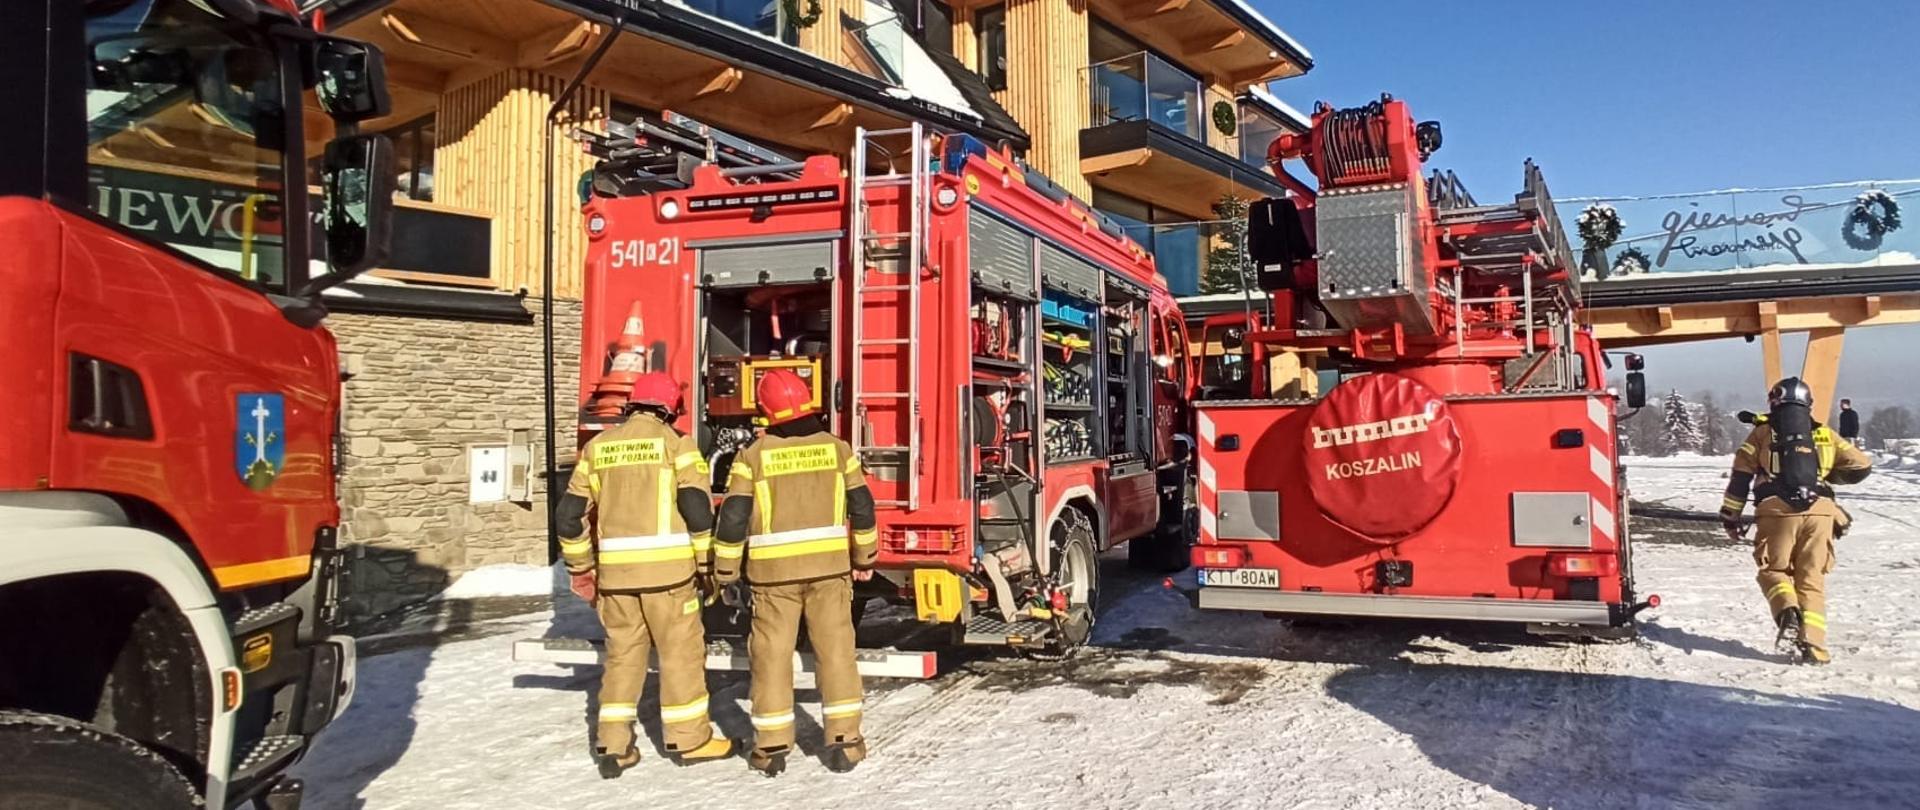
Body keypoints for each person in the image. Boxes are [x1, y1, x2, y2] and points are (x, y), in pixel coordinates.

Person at [556, 372, 735, 777]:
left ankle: (613, 744)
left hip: (617, 582)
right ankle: (690, 741)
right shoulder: (676, 445)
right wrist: (707, 564)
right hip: (670, 580)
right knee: (681, 658)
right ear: (669, 408)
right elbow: (696, 509)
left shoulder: (598, 449)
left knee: (622, 659)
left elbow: (568, 517)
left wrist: (581, 567)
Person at [713, 368, 878, 777]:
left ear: (766, 411)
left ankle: (771, 747)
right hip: (829, 573)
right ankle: (846, 743)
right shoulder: (838, 450)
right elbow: (862, 507)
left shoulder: (752, 456)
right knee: (836, 653)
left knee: (771, 658)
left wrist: (725, 570)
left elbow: (733, 518)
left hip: (773, 579)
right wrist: (865, 558)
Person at [1719, 377, 1872, 665]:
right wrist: (1826, 477)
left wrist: (1731, 516)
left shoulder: (1762, 433)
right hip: (1821, 512)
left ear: (1775, 402)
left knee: (1773, 570)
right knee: (1812, 580)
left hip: (1777, 512)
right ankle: (1815, 647)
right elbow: (1861, 465)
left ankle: (1787, 611)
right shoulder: (1824, 433)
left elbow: (1741, 475)